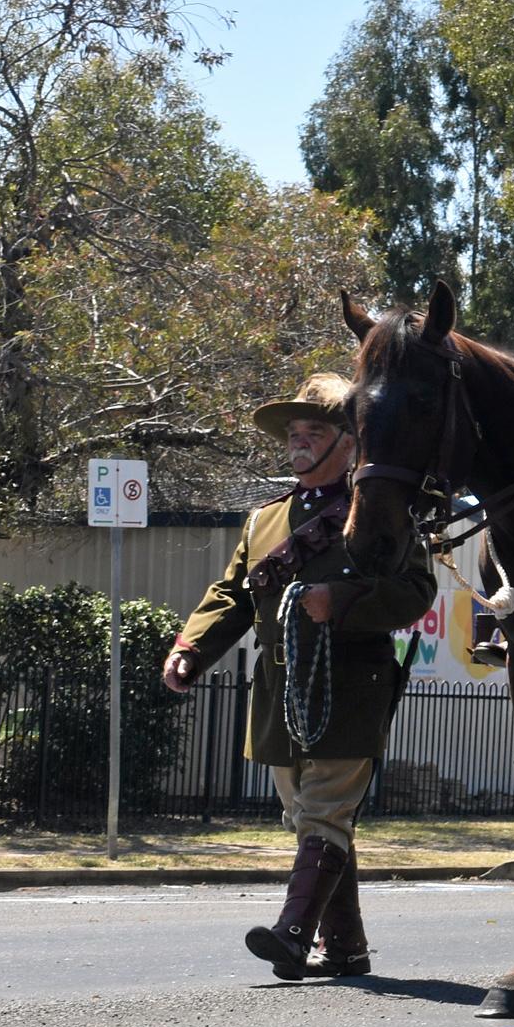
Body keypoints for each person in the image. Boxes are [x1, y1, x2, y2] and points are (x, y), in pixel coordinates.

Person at [163, 373, 438, 978]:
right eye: (295, 431)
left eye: (315, 430)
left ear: (348, 443)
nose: (300, 441)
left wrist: (340, 600)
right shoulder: (265, 520)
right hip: (279, 687)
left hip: (350, 685)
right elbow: (233, 594)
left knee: (322, 814)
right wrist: (191, 648)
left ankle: (293, 935)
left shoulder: (380, 513)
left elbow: (416, 591)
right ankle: (346, 950)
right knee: (310, 820)